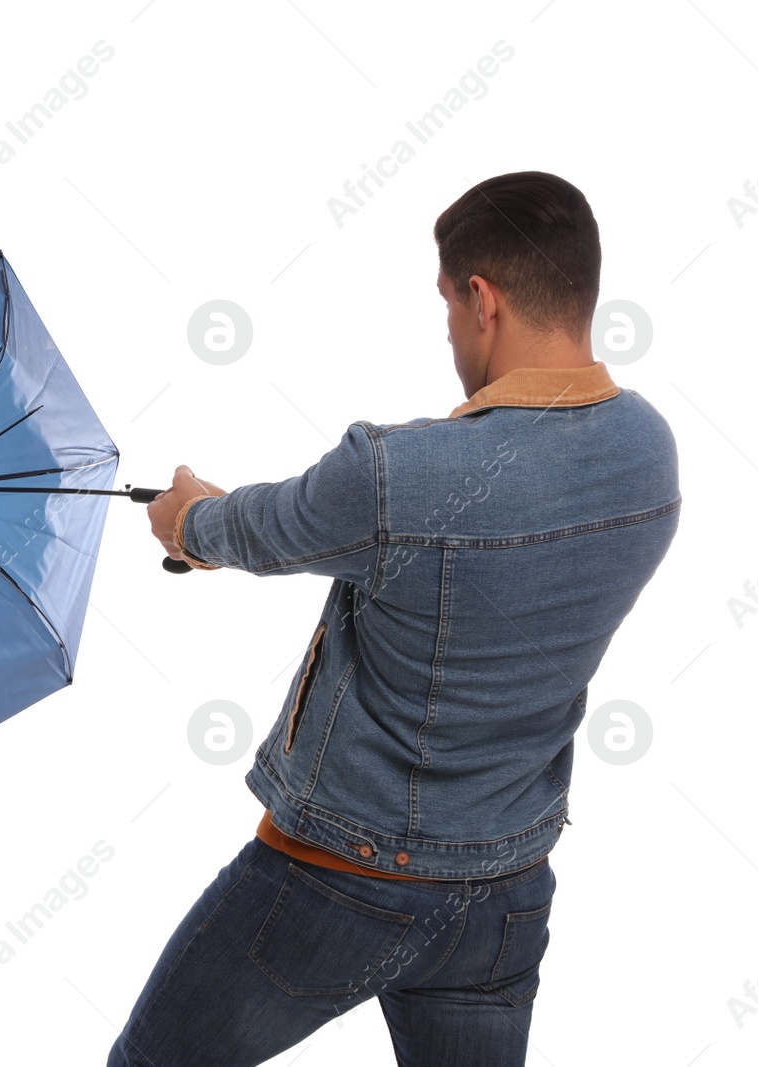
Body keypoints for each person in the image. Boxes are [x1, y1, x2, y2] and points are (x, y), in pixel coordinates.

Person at [112, 171, 680, 1067]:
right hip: (505, 894)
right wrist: (251, 520)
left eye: (449, 304)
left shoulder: (394, 473)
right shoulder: (649, 456)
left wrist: (187, 518)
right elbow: (325, 527)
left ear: (482, 298)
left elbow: (264, 530)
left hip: (341, 881)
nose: (450, 329)